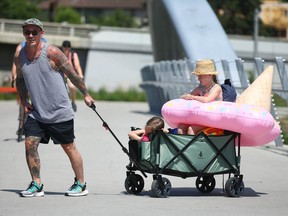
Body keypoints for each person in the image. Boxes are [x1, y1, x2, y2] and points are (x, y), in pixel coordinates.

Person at [14, 18, 95, 197]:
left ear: (41, 33)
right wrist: (23, 99)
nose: (30, 35)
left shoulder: (52, 52)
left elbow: (72, 74)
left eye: (34, 32)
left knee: (69, 147)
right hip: (37, 112)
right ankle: (37, 184)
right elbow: (20, 78)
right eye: (27, 32)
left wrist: (86, 95)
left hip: (59, 112)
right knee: (30, 144)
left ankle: (81, 184)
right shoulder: (20, 55)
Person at [178, 59, 223, 135]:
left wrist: (193, 97)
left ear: (210, 75)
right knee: (181, 127)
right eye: (198, 75)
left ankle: (191, 147)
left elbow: (207, 100)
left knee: (191, 129)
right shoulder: (200, 88)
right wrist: (185, 96)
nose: (198, 78)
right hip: (202, 119)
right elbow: (184, 97)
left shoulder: (216, 88)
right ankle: (182, 146)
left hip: (214, 120)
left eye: (201, 75)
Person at [61, 40, 84, 112]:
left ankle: (73, 102)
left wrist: (80, 74)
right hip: (61, 75)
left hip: (70, 75)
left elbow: (77, 66)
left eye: (68, 47)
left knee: (71, 87)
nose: (66, 49)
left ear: (70, 48)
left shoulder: (73, 55)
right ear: (62, 47)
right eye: (65, 47)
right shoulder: (59, 55)